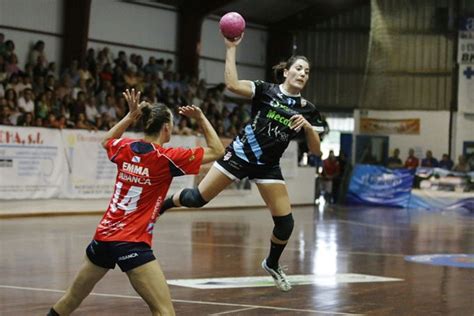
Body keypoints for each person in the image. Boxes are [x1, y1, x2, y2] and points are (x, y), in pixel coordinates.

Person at [159, 34, 323, 292]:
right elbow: (232, 85)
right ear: (287, 72)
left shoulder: (308, 109)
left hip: (268, 166)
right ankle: (163, 204)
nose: (303, 73)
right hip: (239, 155)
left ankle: (272, 263)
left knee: (286, 223)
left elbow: (316, 150)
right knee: (197, 199)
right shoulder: (266, 90)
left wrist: (309, 128)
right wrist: (230, 48)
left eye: (307, 71)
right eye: (299, 68)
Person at [47, 89, 224, 316]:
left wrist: (129, 117)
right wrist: (200, 118)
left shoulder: (125, 147)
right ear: (166, 128)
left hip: (103, 237)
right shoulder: (165, 157)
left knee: (72, 298)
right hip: (131, 242)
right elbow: (217, 150)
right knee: (164, 311)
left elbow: (106, 140)